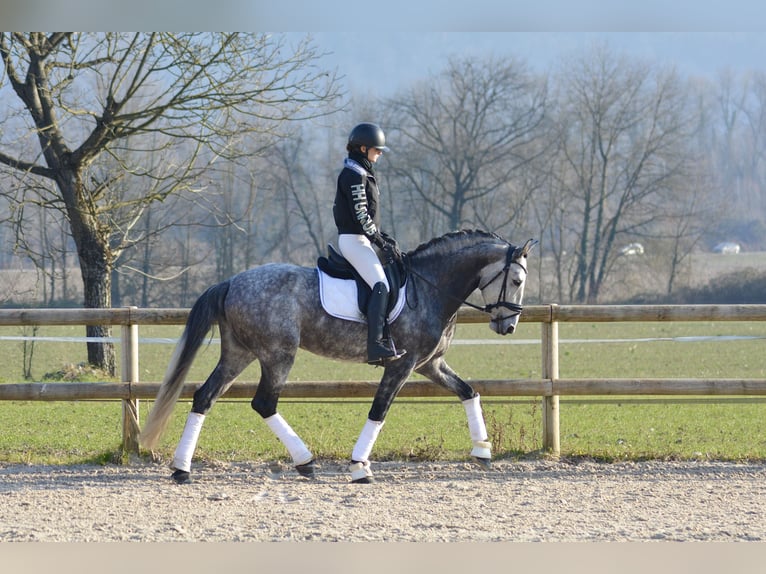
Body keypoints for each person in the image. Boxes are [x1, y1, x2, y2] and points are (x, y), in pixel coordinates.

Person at [333, 122, 406, 365]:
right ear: (363, 149)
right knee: (381, 285)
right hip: (354, 240)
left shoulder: (361, 172)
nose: (380, 153)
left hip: (361, 238)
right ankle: (375, 346)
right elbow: (361, 214)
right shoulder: (353, 174)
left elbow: (367, 216)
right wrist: (378, 239)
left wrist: (381, 237)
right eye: (377, 149)